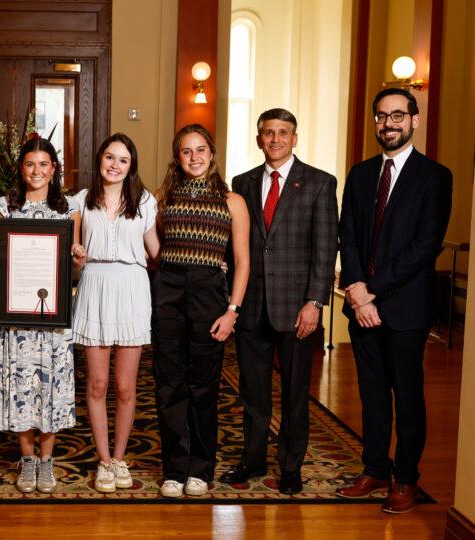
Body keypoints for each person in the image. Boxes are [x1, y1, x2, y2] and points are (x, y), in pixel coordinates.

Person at [336, 88, 452, 513]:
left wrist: (372, 289)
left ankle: (406, 480)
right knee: (371, 395)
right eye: (382, 116)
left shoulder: (435, 177)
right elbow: (346, 235)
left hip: (405, 308)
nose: (389, 123)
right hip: (361, 307)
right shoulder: (361, 173)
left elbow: (425, 245)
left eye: (398, 115)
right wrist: (356, 292)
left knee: (407, 395)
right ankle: (374, 470)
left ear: (414, 120)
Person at [221, 108, 338, 495]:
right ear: (259, 139)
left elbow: (325, 248)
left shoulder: (320, 183)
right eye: (268, 133)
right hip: (252, 306)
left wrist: (315, 302)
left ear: (294, 138)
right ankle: (252, 461)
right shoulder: (242, 182)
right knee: (253, 393)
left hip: (297, 308)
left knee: (294, 393)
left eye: (283, 132)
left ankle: (291, 466)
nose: (275, 139)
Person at [0, 137, 86, 494]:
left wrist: (78, 259)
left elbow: (71, 269)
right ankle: (27, 459)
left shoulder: (69, 210)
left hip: (54, 319)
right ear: (21, 169)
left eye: (44, 164)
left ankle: (47, 459)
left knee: (51, 385)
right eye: (30, 164)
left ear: (54, 169)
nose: (37, 171)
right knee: (21, 385)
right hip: (17, 317)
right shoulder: (3, 209)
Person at [152, 124, 250, 498]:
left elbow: (242, 261)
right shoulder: (164, 197)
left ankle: (201, 468)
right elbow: (156, 249)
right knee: (169, 383)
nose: (194, 157)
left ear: (212, 153)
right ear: (177, 158)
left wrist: (232, 311)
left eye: (200, 150)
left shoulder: (232, 201)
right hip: (169, 292)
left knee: (204, 385)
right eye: (186, 151)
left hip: (211, 295)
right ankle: (174, 469)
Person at [71, 133, 160, 493]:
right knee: (97, 384)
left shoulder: (145, 200)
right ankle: (103, 461)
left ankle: (120, 459)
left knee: (125, 387)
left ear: (131, 166)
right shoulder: (80, 200)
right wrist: (76, 263)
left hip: (132, 288)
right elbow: (74, 260)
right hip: (94, 285)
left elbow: (155, 253)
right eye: (110, 157)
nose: (115, 165)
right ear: (100, 160)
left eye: (123, 160)